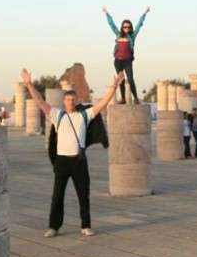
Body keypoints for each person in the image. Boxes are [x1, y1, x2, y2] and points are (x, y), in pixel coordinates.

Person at [21, 68, 124, 238]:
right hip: (62, 161)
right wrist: (29, 84)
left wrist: (113, 87)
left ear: (76, 101)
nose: (70, 102)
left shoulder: (84, 116)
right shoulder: (56, 115)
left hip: (79, 161)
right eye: (68, 99)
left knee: (84, 195)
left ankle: (86, 225)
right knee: (57, 196)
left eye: (73, 99)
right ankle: (53, 226)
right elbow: (40, 102)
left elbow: (102, 104)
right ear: (64, 101)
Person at [102, 6, 150, 104]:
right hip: (118, 61)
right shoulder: (118, 34)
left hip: (127, 61)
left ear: (130, 28)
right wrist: (106, 13)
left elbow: (139, 25)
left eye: (128, 27)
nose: (126, 28)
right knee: (121, 80)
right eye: (125, 27)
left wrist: (145, 13)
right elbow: (111, 24)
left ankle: (135, 98)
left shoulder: (132, 36)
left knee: (130, 79)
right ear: (122, 27)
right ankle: (123, 99)